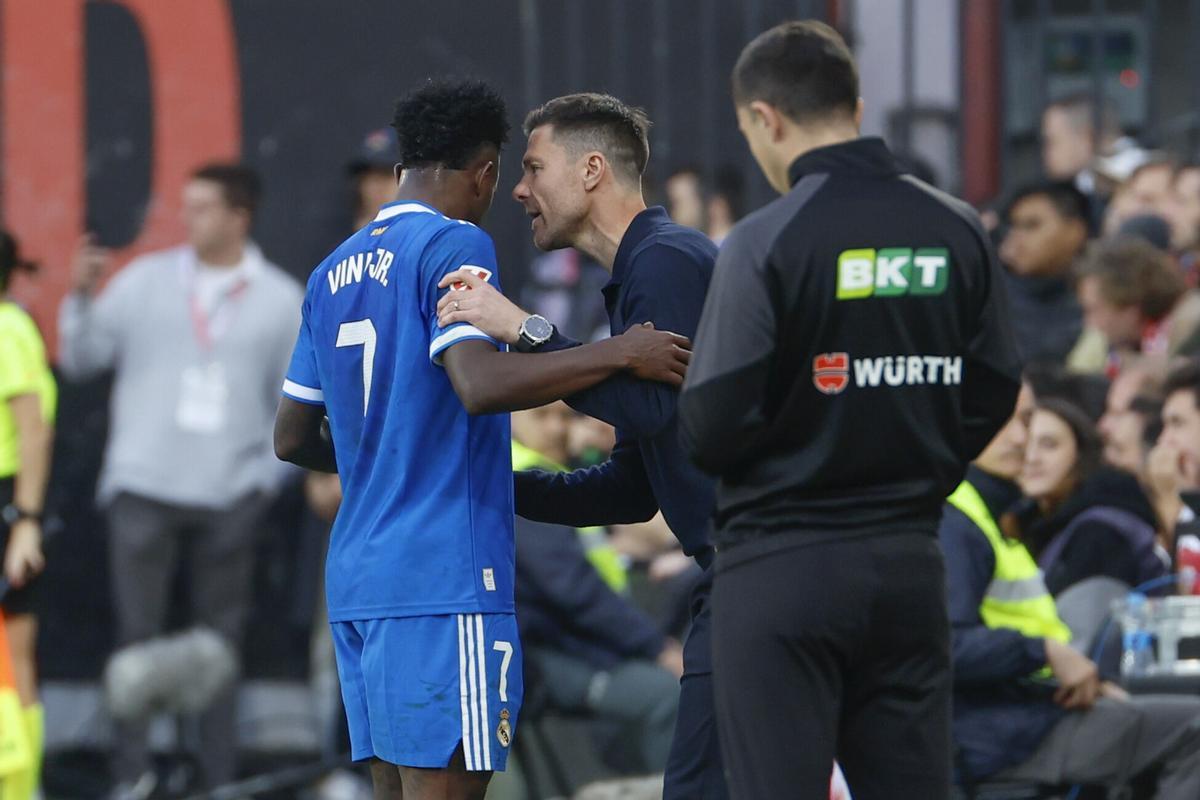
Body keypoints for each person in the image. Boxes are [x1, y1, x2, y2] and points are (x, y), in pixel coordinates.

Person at [272, 79, 690, 800]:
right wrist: (618, 353)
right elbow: (479, 383)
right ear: (484, 172)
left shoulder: (330, 271)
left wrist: (388, 458)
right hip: (444, 578)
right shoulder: (453, 239)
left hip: (358, 579)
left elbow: (291, 437)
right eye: (513, 175)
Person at [674, 19, 1022, 799]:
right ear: (857, 106)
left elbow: (712, 421)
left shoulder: (764, 241)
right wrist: (914, 442)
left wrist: (802, 439)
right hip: (908, 561)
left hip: (780, 565)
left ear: (765, 118)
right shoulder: (956, 227)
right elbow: (996, 381)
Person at [434, 91, 727, 799]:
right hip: (737, 577)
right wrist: (489, 489)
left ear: (593, 169)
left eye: (533, 168)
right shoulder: (637, 280)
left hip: (757, 570)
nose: (520, 190)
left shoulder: (667, 261)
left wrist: (525, 331)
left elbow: (651, 406)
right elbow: (629, 486)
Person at [57, 163, 302, 796]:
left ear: (238, 216)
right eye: (186, 206)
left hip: (230, 496)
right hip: (142, 488)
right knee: (135, 645)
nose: (186, 219)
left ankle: (215, 780)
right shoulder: (143, 282)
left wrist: (262, 482)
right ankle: (130, 776)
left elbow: (302, 401)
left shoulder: (280, 300)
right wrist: (79, 297)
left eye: (201, 208)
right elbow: (82, 358)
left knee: (218, 647)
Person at [940, 391, 1200, 795]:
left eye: (1025, 423)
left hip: (1022, 713)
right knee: (1193, 728)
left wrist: (1084, 677)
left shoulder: (995, 517)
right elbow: (944, 647)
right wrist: (1044, 651)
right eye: (1005, 422)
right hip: (1001, 733)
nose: (1020, 441)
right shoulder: (958, 523)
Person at [511, 406, 682, 776]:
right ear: (510, 420)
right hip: (552, 652)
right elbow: (572, 589)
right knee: (666, 696)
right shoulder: (521, 480)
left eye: (567, 417)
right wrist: (654, 648)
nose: (558, 428)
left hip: (586, 638)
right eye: (542, 416)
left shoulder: (555, 469)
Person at [0, 231, 54, 800]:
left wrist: (25, 520)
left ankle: (20, 788)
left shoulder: (7, 330)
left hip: (9, 505)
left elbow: (34, 431)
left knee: (14, 659)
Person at [1014, 399, 1166, 595]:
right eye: (1026, 444)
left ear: (1080, 454)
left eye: (1049, 445)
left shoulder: (1099, 530)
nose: (1032, 457)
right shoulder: (1039, 523)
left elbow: (1084, 619)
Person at [997, 181, 1090, 363]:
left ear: (1075, 231)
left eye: (1032, 226)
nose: (1017, 238)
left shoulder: (1097, 295)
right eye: (1014, 226)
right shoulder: (992, 297)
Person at [1077, 237, 1200, 370]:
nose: (1088, 322)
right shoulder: (1130, 346)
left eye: (1094, 309)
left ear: (1131, 306)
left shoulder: (1189, 323)